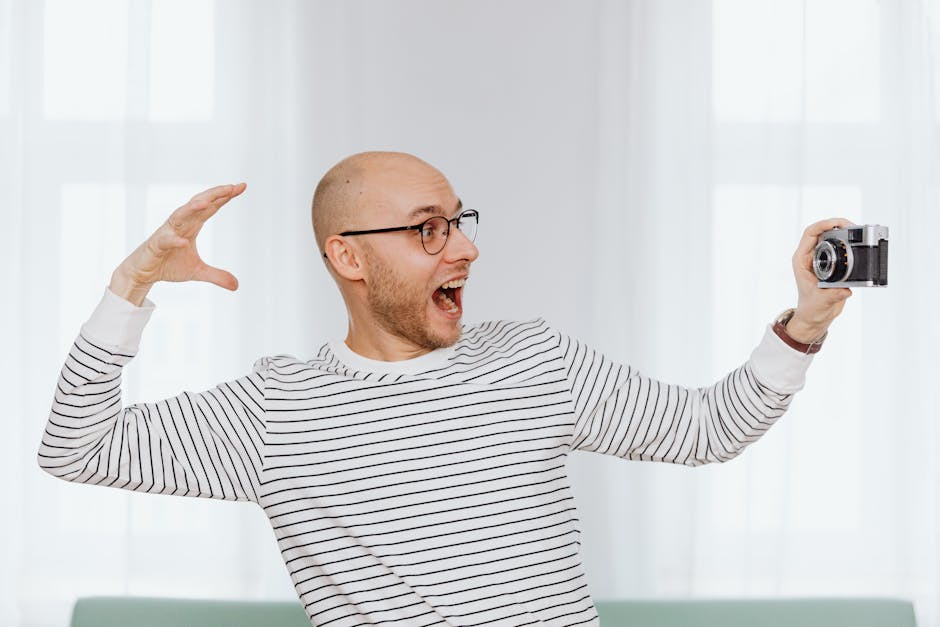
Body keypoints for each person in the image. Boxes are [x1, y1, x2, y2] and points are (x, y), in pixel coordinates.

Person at [38, 151, 851, 626]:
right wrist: (131, 284)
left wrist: (807, 319)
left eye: (460, 221)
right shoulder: (273, 409)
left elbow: (706, 428)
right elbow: (77, 446)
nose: (462, 248)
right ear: (349, 258)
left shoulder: (534, 360)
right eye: (430, 227)